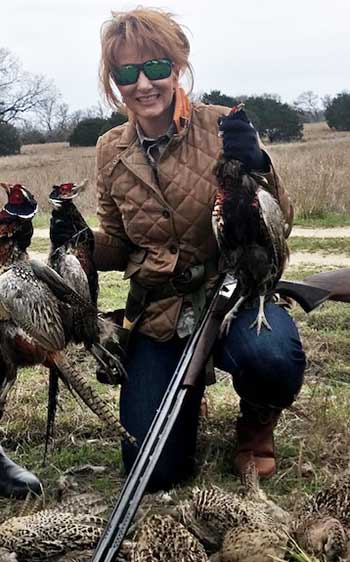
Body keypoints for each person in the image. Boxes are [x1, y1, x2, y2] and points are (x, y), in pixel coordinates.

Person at [59, 7, 305, 491]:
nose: (144, 83)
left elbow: (281, 221)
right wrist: (78, 243)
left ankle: (255, 429)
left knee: (271, 355)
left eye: (156, 66)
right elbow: (120, 241)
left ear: (178, 65)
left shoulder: (223, 128)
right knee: (153, 474)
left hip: (233, 294)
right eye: (127, 72)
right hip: (160, 311)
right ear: (114, 81)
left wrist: (260, 164)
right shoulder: (110, 149)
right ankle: (186, 399)